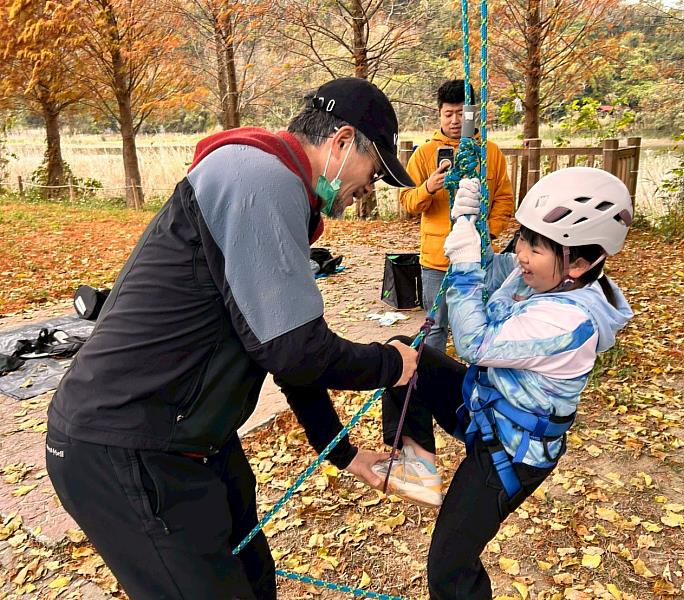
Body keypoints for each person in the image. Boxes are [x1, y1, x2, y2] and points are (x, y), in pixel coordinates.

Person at [45, 77, 419, 600]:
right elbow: (297, 349)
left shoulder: (271, 184)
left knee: (254, 583)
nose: (369, 188)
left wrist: (343, 454)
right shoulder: (258, 181)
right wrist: (389, 363)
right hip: (127, 445)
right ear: (340, 142)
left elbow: (283, 351)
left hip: (195, 443)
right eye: (374, 171)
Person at [373, 167, 635, 599]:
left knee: (448, 568)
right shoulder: (543, 273)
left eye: (536, 247)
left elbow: (475, 343)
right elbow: (495, 270)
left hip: (511, 453)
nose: (523, 255)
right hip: (485, 406)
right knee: (405, 356)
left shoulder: (571, 320)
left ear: (582, 263)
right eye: (523, 239)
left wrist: (461, 268)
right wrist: (469, 225)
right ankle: (413, 465)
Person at [399, 79, 514, 352]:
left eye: (461, 113)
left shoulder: (489, 152)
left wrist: (490, 232)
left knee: (482, 322)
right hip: (437, 259)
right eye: (448, 113)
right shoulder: (425, 154)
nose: (454, 120)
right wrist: (428, 187)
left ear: (472, 113)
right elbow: (407, 202)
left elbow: (504, 199)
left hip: (480, 256)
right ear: (439, 114)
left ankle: (479, 382)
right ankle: (430, 379)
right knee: (435, 326)